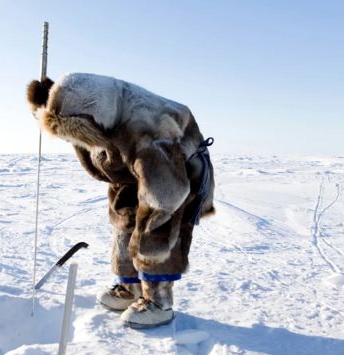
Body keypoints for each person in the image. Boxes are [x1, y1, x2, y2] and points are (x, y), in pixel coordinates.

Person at [27, 73, 215, 328]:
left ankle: (159, 302)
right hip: (134, 168)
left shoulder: (149, 131)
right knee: (123, 218)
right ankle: (131, 289)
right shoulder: (99, 112)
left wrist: (146, 242)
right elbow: (96, 156)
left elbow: (166, 195)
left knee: (155, 229)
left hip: (173, 173)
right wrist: (45, 103)